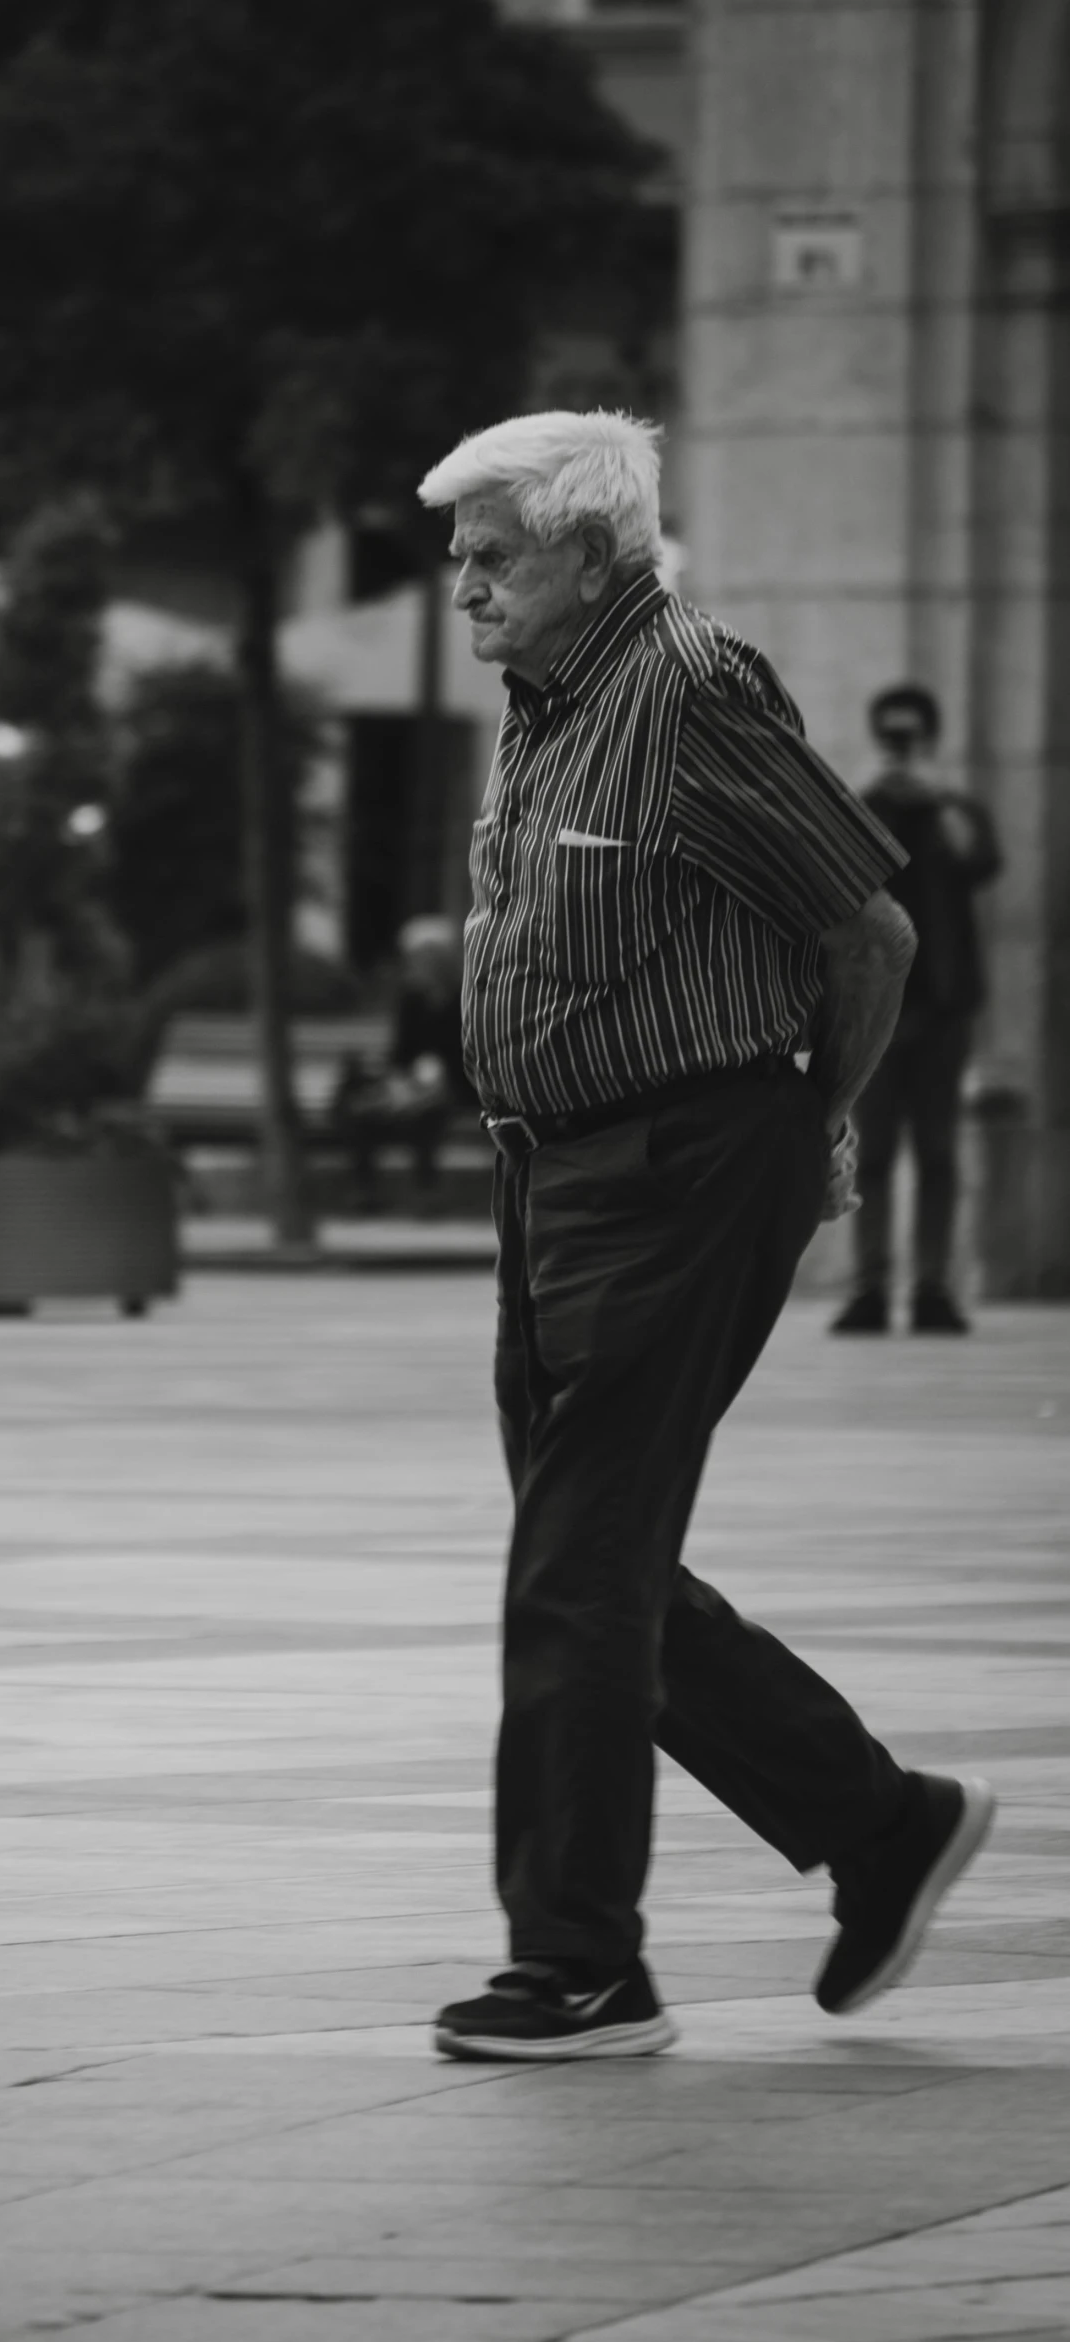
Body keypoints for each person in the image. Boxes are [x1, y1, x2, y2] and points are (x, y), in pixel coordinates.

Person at [416, 410, 994, 2062]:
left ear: (593, 558)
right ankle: (880, 1826)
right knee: (587, 1556)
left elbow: (866, 930)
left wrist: (811, 1120)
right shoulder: (545, 707)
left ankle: (579, 1965)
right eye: (455, 558)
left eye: (493, 557)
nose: (463, 588)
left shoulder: (688, 692)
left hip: (683, 1161)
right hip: (555, 1172)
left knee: (576, 1568)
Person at [831, 685, 1001, 1336]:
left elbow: (981, 862)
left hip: (941, 1009)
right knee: (868, 1153)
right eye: (891, 737)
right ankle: (868, 1287)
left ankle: (932, 1286)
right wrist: (859, 794)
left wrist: (938, 795)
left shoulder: (951, 809)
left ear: (928, 741)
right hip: (873, 1008)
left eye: (910, 738)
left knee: (936, 1152)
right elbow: (829, 871)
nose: (900, 749)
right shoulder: (857, 805)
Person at [333, 916, 475, 1211]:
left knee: (428, 1114)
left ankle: (427, 1192)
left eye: (425, 958)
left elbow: (471, 1055)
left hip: (455, 1088)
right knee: (363, 1112)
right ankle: (364, 1191)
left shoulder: (465, 999)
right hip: (413, 1086)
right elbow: (400, 1055)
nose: (417, 965)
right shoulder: (411, 1001)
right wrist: (401, 1081)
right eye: (415, 959)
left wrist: (438, 1075)